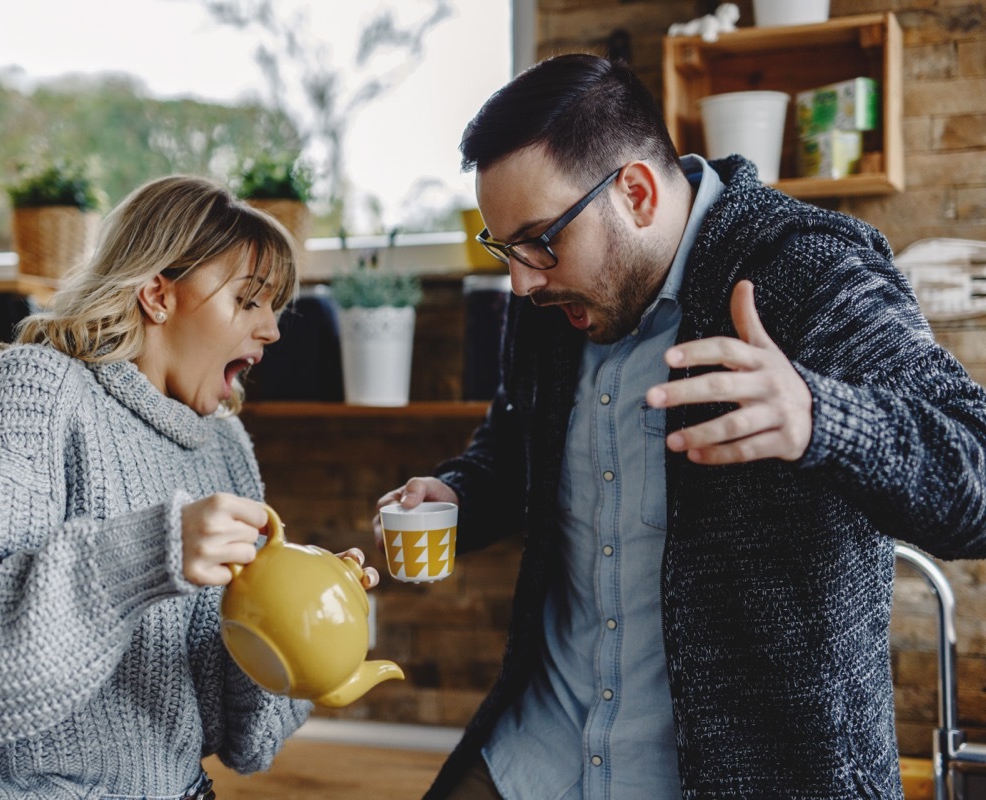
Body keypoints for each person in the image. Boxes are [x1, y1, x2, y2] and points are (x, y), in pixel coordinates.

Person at [376, 54, 986, 800]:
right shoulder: (554, 301)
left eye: (539, 240)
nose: (521, 279)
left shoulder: (807, 270)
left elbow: (977, 472)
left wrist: (818, 417)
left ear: (634, 192)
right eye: (506, 249)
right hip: (540, 750)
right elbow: (513, 446)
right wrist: (454, 494)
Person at [0, 174, 378, 800]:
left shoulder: (224, 445)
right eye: (249, 301)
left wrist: (311, 618)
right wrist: (150, 553)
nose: (272, 332)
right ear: (157, 295)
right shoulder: (34, 391)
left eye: (276, 310)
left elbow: (244, 740)